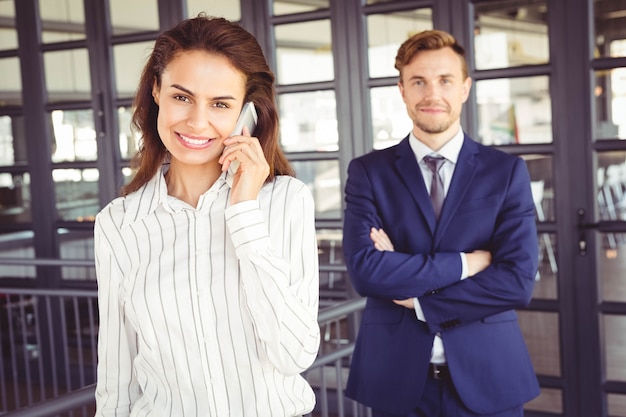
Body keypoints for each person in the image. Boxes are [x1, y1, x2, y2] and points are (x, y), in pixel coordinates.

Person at [93, 16, 320, 417]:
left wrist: (245, 211)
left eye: (220, 104)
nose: (197, 122)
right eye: (182, 97)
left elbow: (294, 353)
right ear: (157, 92)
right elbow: (117, 374)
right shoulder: (119, 224)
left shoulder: (286, 202)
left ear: (246, 113)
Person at [342, 29, 540, 417]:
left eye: (445, 80)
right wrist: (469, 263)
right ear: (402, 90)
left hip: (490, 376)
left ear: (465, 88)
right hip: (396, 381)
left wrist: (418, 300)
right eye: (419, 81)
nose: (432, 93)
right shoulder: (368, 172)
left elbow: (517, 280)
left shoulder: (506, 172)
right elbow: (366, 272)